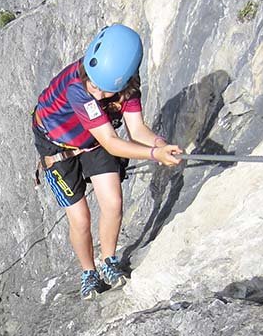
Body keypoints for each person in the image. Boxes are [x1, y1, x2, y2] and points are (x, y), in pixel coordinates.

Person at [33, 24, 183, 300]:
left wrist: (161, 145)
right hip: (57, 146)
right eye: (95, 86)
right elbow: (112, 143)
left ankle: (109, 259)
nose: (98, 95)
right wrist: (153, 155)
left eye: (105, 90)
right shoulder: (80, 89)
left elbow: (137, 131)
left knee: (113, 202)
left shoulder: (125, 86)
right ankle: (89, 272)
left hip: (94, 139)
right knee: (80, 218)